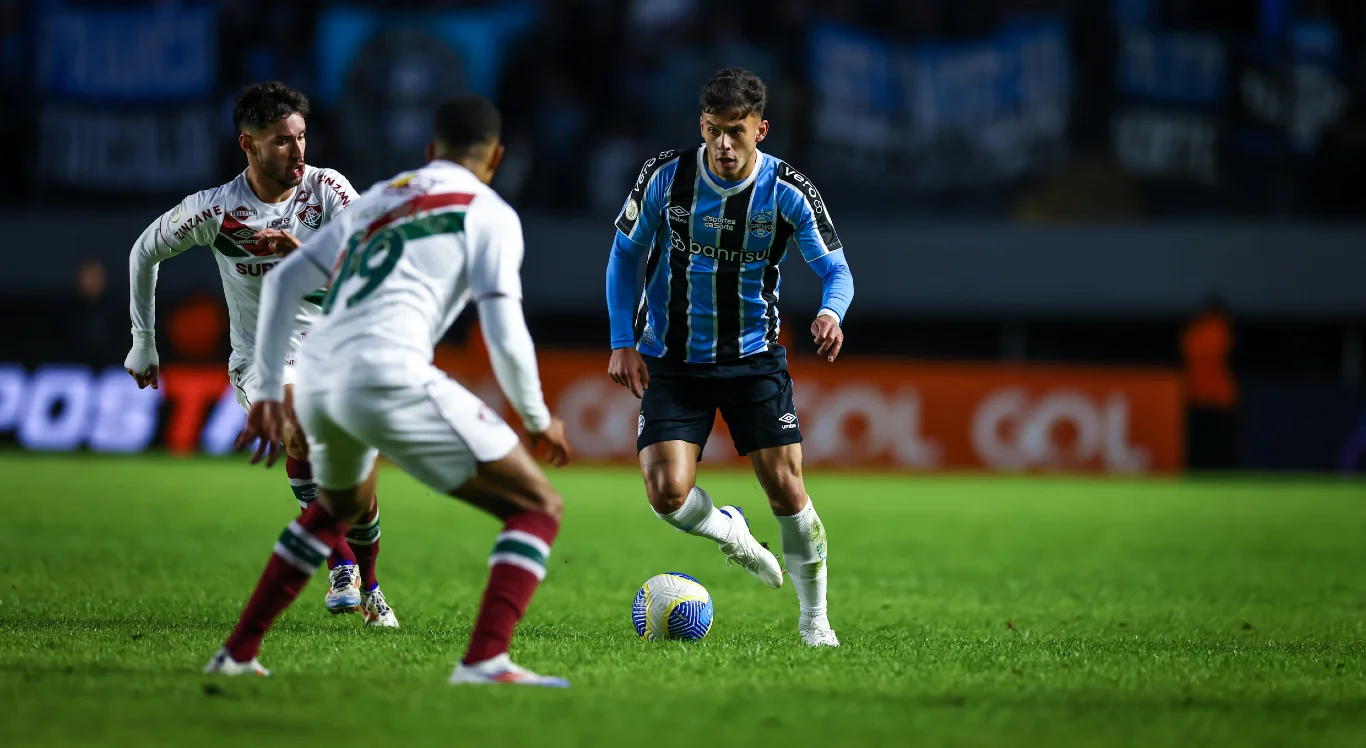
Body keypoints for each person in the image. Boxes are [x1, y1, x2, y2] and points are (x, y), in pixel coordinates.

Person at [207, 95, 574, 686]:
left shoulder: (381, 197)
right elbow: (502, 327)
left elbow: (286, 283)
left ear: (430, 152)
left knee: (338, 508)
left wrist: (272, 393)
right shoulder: (490, 212)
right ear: (496, 157)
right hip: (387, 371)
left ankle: (239, 653)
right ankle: (485, 661)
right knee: (538, 506)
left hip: (319, 374)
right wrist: (535, 418)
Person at [123, 82, 397, 626]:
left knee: (361, 499)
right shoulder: (217, 212)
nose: (297, 152)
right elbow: (143, 251)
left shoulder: (329, 193)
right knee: (297, 427)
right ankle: (338, 561)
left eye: (300, 137)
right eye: (280, 142)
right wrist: (144, 340)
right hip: (264, 359)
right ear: (247, 144)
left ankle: (369, 586)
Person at [605, 68, 854, 647]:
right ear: (701, 124)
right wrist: (621, 339)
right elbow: (624, 255)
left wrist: (830, 312)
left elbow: (836, 269)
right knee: (666, 494)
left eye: (735, 132)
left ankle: (814, 619)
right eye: (713, 130)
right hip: (670, 357)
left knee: (788, 493)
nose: (722, 145)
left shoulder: (788, 191)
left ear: (759, 130)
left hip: (752, 359)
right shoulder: (664, 177)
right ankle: (732, 536)